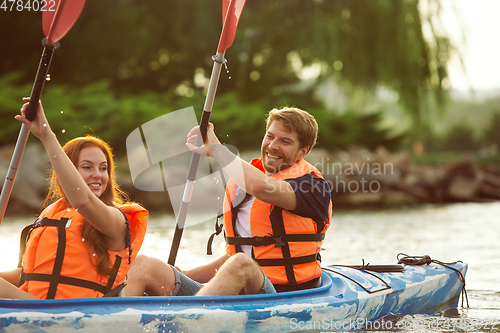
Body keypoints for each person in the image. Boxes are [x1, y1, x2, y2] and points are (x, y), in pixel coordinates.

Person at [125, 107, 331, 297]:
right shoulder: (245, 182)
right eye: (270, 136)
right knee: (143, 265)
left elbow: (260, 188)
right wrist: (186, 273)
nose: (273, 146)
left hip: (282, 294)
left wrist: (216, 149)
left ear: (303, 152)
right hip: (236, 289)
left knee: (241, 264)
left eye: (285, 141)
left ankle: (187, 322)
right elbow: (240, 254)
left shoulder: (312, 187)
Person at [0, 98, 148, 299]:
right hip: (37, 309)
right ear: (68, 170)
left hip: (76, 312)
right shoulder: (53, 215)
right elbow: (33, 274)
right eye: (87, 167)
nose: (97, 174)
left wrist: (46, 135)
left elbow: (83, 201)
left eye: (103, 168)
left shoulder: (116, 220)